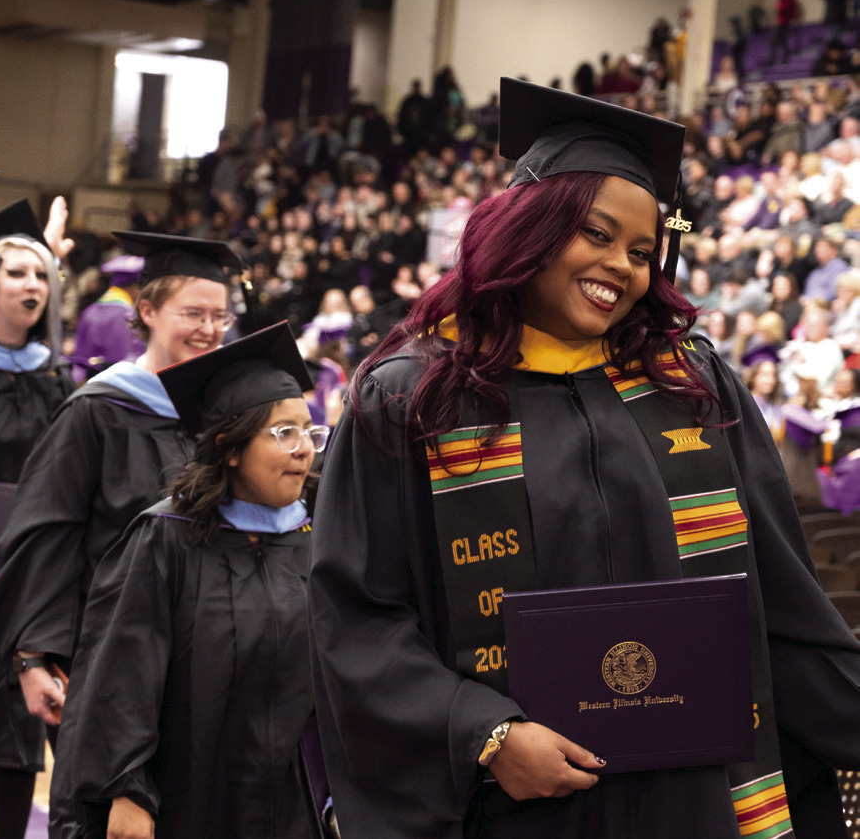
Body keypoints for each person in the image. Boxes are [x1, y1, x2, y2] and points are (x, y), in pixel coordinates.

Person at [308, 77, 860, 838]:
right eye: (595, 235)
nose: (622, 267)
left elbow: (782, 606)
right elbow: (358, 616)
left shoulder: (690, 387)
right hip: (521, 803)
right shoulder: (416, 398)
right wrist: (484, 733)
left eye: (641, 251)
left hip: (693, 800)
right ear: (530, 228)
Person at [0, 231, 239, 836]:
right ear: (147, 311)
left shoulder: (226, 416)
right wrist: (34, 655)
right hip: (108, 657)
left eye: (219, 316)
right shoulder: (98, 409)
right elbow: (47, 539)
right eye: (192, 313)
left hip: (204, 657)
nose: (208, 329)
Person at [58, 322, 324, 839]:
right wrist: (127, 789)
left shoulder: (316, 537)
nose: (304, 450)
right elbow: (122, 674)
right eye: (284, 433)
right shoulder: (167, 539)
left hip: (294, 801)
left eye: (310, 432)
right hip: (188, 799)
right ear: (230, 447)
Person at [0, 200, 75, 839]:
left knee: (19, 731)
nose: (32, 285)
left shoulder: (56, 379)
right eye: (16, 273)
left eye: (41, 274)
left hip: (28, 572)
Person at [71, 254, 146, 383]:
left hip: (86, 385)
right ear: (135, 289)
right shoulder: (129, 316)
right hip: (117, 385)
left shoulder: (90, 311)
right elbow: (129, 361)